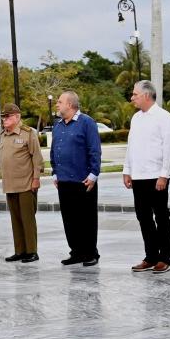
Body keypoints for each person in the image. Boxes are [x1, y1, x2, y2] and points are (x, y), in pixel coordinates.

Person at [124, 80, 170, 273]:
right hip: (138, 176)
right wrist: (127, 170)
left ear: (146, 95)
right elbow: (131, 146)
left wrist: (164, 175)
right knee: (143, 217)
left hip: (157, 177)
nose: (132, 98)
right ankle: (151, 256)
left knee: (161, 217)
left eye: (135, 94)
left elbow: (169, 149)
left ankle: (164, 258)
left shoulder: (164, 117)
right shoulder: (136, 118)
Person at [51, 90, 103, 266]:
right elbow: (54, 150)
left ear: (70, 104)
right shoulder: (58, 125)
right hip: (63, 180)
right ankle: (77, 252)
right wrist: (55, 172)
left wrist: (94, 174)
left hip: (83, 180)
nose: (57, 104)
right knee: (69, 218)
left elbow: (94, 149)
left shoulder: (87, 122)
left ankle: (90, 253)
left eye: (59, 101)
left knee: (86, 219)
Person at [0, 104, 45, 263]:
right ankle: (20, 251)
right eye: (3, 116)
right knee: (16, 220)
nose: (5, 119)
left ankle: (31, 251)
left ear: (17, 117)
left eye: (8, 116)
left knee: (27, 219)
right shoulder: (4, 135)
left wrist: (36, 179)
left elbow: (37, 158)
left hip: (26, 184)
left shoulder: (28, 133)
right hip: (10, 185)